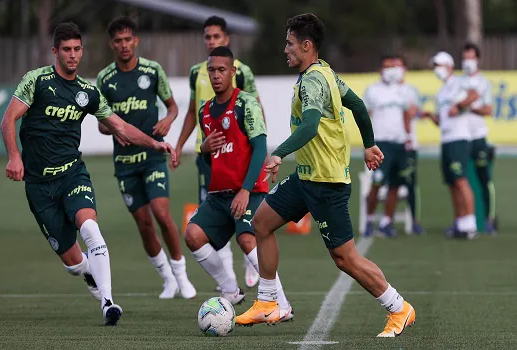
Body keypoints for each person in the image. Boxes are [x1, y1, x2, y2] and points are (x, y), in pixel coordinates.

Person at [235, 14, 415, 337]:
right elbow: (357, 105)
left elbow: (310, 125)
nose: (285, 49)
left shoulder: (315, 81)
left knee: (345, 259)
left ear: (306, 46)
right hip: (307, 179)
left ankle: (398, 307)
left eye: (290, 43)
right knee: (260, 223)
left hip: (327, 184)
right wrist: (370, 144)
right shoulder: (325, 73)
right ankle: (267, 302)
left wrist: (278, 154)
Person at [0, 22, 177, 325]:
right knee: (72, 263)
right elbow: (8, 120)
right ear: (55, 51)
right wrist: (14, 157)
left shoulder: (88, 92)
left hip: (72, 174)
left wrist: (154, 143)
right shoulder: (37, 81)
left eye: (77, 49)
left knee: (90, 228)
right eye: (66, 50)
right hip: (39, 185)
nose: (72, 55)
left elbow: (120, 126)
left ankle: (108, 303)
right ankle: (87, 274)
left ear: (82, 51)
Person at [184, 46, 293, 320]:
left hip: (249, 191)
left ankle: (282, 304)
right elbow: (211, 160)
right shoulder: (205, 111)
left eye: (222, 70)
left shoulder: (246, 103)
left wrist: (245, 190)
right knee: (193, 235)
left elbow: (259, 148)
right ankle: (231, 290)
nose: (216, 75)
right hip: (219, 194)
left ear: (233, 72)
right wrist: (204, 150)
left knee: (247, 239)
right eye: (212, 70)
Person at [96, 16, 196, 300]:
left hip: (152, 156)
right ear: (112, 45)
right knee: (144, 223)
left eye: (128, 40)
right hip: (125, 165)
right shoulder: (105, 79)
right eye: (118, 41)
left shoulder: (152, 70)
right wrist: (111, 129)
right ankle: (167, 279)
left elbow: (174, 107)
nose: (124, 45)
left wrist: (167, 120)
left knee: (162, 213)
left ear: (136, 41)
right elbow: (101, 123)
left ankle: (182, 275)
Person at [173, 15, 259, 290]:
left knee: (244, 224)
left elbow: (254, 107)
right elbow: (190, 112)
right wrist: (180, 145)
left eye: (216, 37)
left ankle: (254, 266)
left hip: (238, 155)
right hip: (208, 155)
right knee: (210, 223)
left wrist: (264, 148)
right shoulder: (196, 72)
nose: (211, 41)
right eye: (207, 37)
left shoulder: (241, 71)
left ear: (226, 39)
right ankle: (229, 283)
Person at [422, 51, 478, 239]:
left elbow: (474, 94)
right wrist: (431, 116)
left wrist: (460, 106)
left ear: (449, 66)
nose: (436, 70)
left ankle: (470, 223)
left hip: (459, 137)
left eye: (439, 66)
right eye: (435, 67)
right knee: (452, 182)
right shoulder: (441, 92)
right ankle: (459, 221)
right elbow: (442, 120)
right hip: (446, 140)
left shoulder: (459, 83)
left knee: (461, 179)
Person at [362, 55, 413, 237]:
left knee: (395, 184)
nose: (391, 70)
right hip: (380, 143)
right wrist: (368, 141)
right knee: (377, 182)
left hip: (399, 142)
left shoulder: (402, 91)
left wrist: (408, 136)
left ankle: (386, 222)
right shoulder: (373, 90)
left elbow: (407, 114)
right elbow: (365, 116)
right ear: (380, 70)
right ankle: (368, 220)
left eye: (393, 66)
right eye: (387, 66)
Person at [460, 43, 496, 234]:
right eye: (465, 58)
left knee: (484, 178)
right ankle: (464, 220)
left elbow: (489, 109)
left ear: (478, 60)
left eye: (471, 58)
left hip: (478, 136)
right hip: (462, 137)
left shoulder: (483, 83)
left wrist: (470, 107)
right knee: (460, 179)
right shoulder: (457, 82)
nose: (468, 62)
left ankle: (489, 218)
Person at [396, 57, 425, 235]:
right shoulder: (381, 91)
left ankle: (415, 220)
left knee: (410, 182)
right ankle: (383, 221)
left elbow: (413, 111)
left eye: (399, 67)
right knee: (386, 182)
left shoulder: (410, 91)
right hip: (387, 143)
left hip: (408, 144)